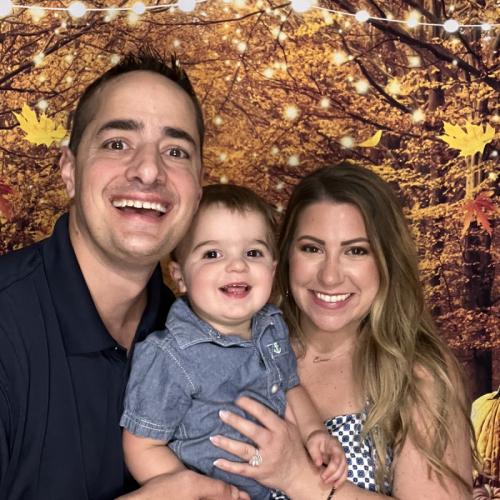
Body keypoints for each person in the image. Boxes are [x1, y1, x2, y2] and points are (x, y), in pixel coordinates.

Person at [0, 51, 247, 499]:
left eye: (175, 151)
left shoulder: (209, 336)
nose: (149, 170)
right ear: (69, 170)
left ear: (197, 189)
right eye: (117, 143)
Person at [209, 163, 476, 499]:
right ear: (286, 256)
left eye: (356, 251)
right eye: (312, 248)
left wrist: (299, 478)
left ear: (386, 261)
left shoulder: (417, 374)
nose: (330, 276)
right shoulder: (238, 350)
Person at [120, 184, 347, 499]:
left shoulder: (272, 327)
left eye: (252, 253)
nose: (237, 265)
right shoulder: (170, 356)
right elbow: (142, 446)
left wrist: (315, 433)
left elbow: (289, 386)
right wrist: (197, 492)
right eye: (212, 254)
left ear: (272, 270)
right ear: (179, 276)